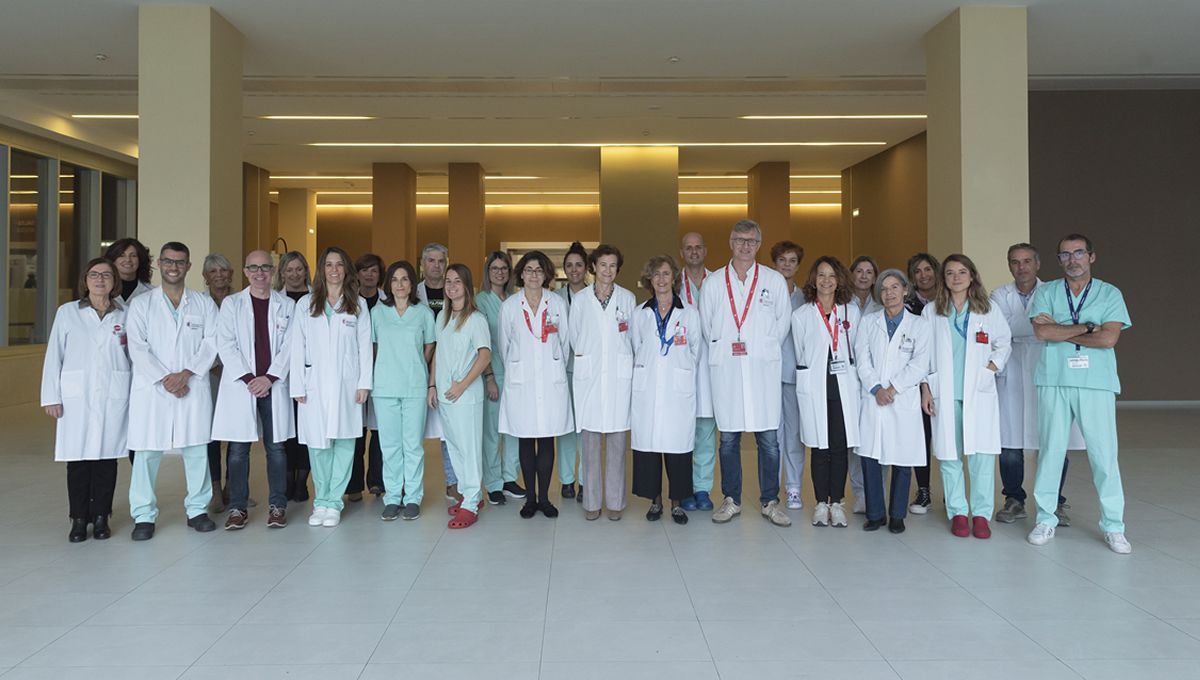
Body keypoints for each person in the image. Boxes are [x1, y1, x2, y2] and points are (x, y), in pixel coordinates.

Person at [1027, 234, 1132, 554]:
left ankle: (1114, 526)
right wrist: (1088, 327)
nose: (1072, 259)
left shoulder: (1109, 293)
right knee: (1051, 453)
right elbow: (1042, 332)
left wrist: (1063, 330)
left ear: (1091, 257)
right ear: (1058, 260)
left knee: (1104, 455)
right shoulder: (1045, 292)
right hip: (1054, 380)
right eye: (1065, 255)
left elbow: (1109, 340)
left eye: (1078, 253)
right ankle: (1046, 518)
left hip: (1095, 382)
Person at [699, 220, 791, 527]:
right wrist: (730, 346)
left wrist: (762, 349)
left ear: (759, 244)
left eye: (751, 241)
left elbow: (782, 323)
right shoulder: (714, 282)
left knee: (768, 439)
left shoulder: (773, 280)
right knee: (728, 439)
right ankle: (732, 500)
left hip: (762, 369)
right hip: (727, 368)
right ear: (730, 242)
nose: (745, 246)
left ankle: (770, 501)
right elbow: (706, 324)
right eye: (740, 240)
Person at [125, 242, 220, 540]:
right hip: (154, 389)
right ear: (159, 265)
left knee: (195, 450)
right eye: (168, 261)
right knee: (147, 451)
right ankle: (143, 515)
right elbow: (137, 348)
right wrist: (167, 379)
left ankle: (197, 509)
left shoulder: (203, 304)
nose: (173, 267)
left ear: (189, 266)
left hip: (192, 384)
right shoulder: (142, 304)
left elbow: (213, 342)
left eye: (180, 262)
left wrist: (186, 374)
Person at [920, 254, 1011, 539]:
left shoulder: (988, 309)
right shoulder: (932, 311)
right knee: (949, 455)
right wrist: (925, 388)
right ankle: (958, 512)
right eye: (950, 273)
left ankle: (981, 514)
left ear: (972, 276)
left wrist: (990, 369)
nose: (956, 278)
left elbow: (1003, 342)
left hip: (978, 392)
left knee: (982, 456)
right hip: (944, 392)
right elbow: (922, 354)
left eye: (962, 272)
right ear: (943, 279)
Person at [40, 257, 130, 542]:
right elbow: (54, 356)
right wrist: (51, 396)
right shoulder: (68, 312)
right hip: (76, 398)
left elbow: (133, 356)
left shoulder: (125, 314)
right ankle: (78, 518)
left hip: (113, 395)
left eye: (106, 275)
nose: (100, 280)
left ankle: (102, 517)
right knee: (77, 460)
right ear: (85, 280)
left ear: (115, 281)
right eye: (94, 274)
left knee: (106, 459)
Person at [991, 244, 1078, 525]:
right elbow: (1001, 331)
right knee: (1009, 443)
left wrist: (1048, 328)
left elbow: (1059, 327)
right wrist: (1042, 326)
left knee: (1055, 439)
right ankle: (1014, 499)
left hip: (1047, 369)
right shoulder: (997, 295)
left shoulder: (1053, 292)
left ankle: (1055, 501)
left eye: (1027, 261)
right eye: (1015, 262)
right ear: (1009, 266)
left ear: (1038, 264)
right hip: (1011, 370)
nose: (1022, 267)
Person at [211, 250, 295, 530]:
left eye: (265, 268)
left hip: (273, 383)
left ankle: (277, 505)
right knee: (237, 450)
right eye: (254, 268)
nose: (260, 273)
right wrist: (250, 379)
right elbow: (226, 344)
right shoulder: (232, 304)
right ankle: (237, 507)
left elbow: (291, 345)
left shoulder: (286, 305)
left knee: (276, 448)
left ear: (274, 272)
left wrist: (269, 377)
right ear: (245, 271)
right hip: (243, 386)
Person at [290, 247, 373, 529]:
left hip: (347, 385)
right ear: (321, 270)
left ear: (346, 269)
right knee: (318, 445)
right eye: (328, 265)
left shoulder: (357, 304)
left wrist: (364, 384)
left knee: (345, 443)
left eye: (339, 264)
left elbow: (364, 347)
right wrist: (297, 384)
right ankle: (321, 501)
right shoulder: (306, 304)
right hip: (314, 385)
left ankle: (334, 502)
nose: (334, 270)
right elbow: (296, 347)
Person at [853, 269, 930, 534]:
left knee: (902, 457)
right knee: (871, 459)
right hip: (874, 397)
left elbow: (920, 363)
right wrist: (876, 388)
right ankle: (875, 514)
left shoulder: (919, 325)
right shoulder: (869, 321)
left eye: (894, 287)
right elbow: (861, 359)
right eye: (884, 289)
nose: (889, 293)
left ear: (905, 290)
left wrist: (893, 388)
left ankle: (897, 514)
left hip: (902, 398)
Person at [498, 250, 573, 519]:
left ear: (547, 275)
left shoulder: (556, 304)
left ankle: (545, 498)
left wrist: (550, 366)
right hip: (522, 382)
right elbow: (504, 346)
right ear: (521, 274)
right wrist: (522, 369)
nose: (533, 275)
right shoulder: (510, 307)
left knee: (547, 438)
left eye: (539, 270)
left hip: (550, 382)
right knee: (526, 440)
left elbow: (564, 344)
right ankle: (529, 499)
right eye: (529, 270)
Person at [791, 256, 862, 528]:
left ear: (839, 280)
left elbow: (854, 350)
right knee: (820, 449)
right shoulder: (801, 315)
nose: (826, 280)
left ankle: (837, 502)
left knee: (840, 448)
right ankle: (821, 503)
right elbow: (801, 352)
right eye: (821, 275)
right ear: (813, 279)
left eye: (832, 275)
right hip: (815, 387)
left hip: (843, 389)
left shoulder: (851, 313)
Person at [630, 255, 700, 525]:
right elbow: (637, 346)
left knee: (677, 447)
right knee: (649, 447)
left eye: (666, 274)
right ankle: (655, 501)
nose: (661, 279)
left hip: (677, 387)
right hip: (649, 388)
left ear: (674, 278)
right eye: (656, 274)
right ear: (650, 279)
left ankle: (677, 503)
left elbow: (696, 350)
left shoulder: (689, 313)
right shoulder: (640, 313)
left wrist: (678, 368)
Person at [569, 244, 636, 521]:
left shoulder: (628, 298)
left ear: (617, 269)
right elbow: (574, 337)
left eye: (612, 265)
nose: (607, 270)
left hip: (618, 377)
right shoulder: (581, 300)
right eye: (602, 265)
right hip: (590, 376)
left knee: (618, 443)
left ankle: (616, 502)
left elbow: (633, 337)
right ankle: (592, 503)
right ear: (593, 266)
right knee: (591, 443)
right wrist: (589, 357)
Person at [429, 264, 493, 529]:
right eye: (448, 281)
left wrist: (463, 385)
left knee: (469, 450)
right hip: (445, 395)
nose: (451, 286)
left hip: (465, 396)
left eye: (457, 281)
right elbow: (437, 354)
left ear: (467, 286)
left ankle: (471, 501)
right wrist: (432, 385)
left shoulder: (476, 319)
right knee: (454, 448)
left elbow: (485, 355)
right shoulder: (442, 317)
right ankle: (470, 495)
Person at [372, 260, 434, 521]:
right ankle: (393, 496)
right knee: (390, 445)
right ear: (388, 284)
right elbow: (373, 348)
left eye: (405, 279)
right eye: (395, 279)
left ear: (412, 284)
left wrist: (416, 365)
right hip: (385, 386)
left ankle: (412, 498)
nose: (399, 284)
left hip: (414, 386)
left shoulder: (423, 313)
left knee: (412, 446)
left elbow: (429, 347)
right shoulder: (377, 313)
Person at [475, 251, 526, 505]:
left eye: (504, 268)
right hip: (493, 373)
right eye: (495, 268)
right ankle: (494, 483)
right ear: (488, 272)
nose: (500, 272)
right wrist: (489, 377)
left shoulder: (517, 299)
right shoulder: (481, 301)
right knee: (493, 433)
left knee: (514, 430)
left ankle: (509, 479)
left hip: (516, 375)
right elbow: (482, 343)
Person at [416, 243, 460, 503]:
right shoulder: (413, 292)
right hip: (416, 368)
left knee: (449, 432)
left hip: (447, 371)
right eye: (430, 260)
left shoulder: (456, 291)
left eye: (441, 261)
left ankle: (452, 482)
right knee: (411, 433)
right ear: (423, 264)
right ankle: (408, 486)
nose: (436, 265)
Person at [677, 232, 717, 512]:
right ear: (682, 252)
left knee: (705, 432)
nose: (693, 252)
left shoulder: (719, 282)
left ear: (705, 250)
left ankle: (702, 489)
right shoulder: (671, 282)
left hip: (712, 367)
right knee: (681, 432)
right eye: (688, 248)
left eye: (698, 248)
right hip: (680, 367)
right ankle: (683, 489)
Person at [771, 240, 807, 511]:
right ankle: (771, 487)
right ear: (774, 262)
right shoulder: (766, 293)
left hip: (795, 374)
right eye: (782, 259)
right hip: (769, 374)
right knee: (772, 435)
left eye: (792, 260)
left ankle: (793, 487)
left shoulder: (805, 297)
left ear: (798, 265)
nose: (786, 264)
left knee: (793, 434)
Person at [348, 253, 386, 502]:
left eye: (374, 270)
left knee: (380, 430)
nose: (369, 275)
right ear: (357, 274)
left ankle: (377, 481)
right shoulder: (349, 302)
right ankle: (353, 486)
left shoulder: (388, 301)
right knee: (356, 430)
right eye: (364, 270)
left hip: (383, 372)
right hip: (355, 373)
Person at [905, 252, 940, 514]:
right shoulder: (907, 306)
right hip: (918, 380)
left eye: (928, 269)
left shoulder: (950, 301)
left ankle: (954, 494)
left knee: (951, 437)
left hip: (948, 377)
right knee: (922, 435)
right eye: (918, 271)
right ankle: (924, 490)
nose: (924, 275)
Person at [846, 255, 882, 513]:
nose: (864, 275)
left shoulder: (882, 305)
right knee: (854, 440)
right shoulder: (840, 303)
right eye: (859, 270)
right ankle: (860, 492)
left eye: (869, 271)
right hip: (847, 378)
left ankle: (878, 491)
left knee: (880, 437)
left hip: (876, 381)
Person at [275, 251, 312, 502]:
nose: (295, 274)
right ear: (282, 273)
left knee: (306, 431)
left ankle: (302, 482)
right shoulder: (275, 300)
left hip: (310, 374)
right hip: (281, 375)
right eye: (289, 270)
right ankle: (287, 480)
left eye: (299, 269)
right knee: (285, 430)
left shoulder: (315, 298)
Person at [554, 241, 589, 501]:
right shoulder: (555, 299)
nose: (574, 269)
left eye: (579, 265)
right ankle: (567, 480)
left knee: (586, 428)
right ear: (564, 269)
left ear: (586, 268)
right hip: (563, 370)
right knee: (566, 428)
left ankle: (586, 481)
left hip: (588, 372)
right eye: (569, 265)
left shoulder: (594, 296)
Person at [201, 253, 235, 513]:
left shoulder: (240, 301)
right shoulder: (199, 303)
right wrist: (212, 364)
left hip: (236, 375)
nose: (219, 275)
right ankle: (214, 490)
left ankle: (234, 488)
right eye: (213, 271)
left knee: (237, 433)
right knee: (211, 435)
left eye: (224, 270)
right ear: (205, 277)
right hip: (209, 374)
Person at [105, 237, 154, 304]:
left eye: (133, 256)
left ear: (140, 260)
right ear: (113, 260)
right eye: (122, 255)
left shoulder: (152, 292)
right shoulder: (102, 289)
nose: (128, 260)